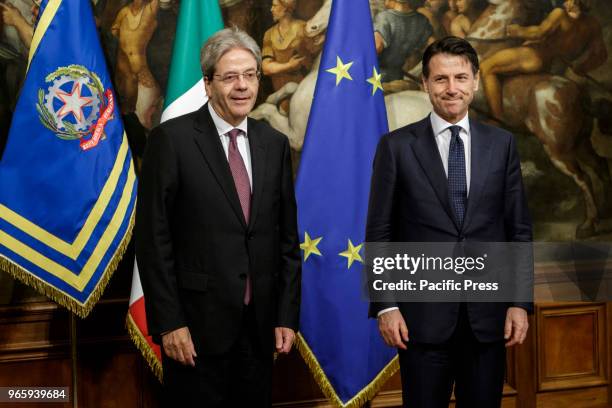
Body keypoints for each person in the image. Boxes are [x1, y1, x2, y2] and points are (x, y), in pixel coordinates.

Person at [135, 27, 301, 407]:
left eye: (250, 75)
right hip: (194, 330)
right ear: (208, 84)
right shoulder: (171, 140)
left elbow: (287, 239)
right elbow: (152, 240)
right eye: (229, 77)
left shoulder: (272, 144)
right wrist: (170, 323)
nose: (241, 86)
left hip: (259, 332)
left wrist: (286, 315)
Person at [366, 36, 532, 407]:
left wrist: (520, 301)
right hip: (420, 323)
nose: (451, 88)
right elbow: (379, 233)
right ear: (424, 84)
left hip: (487, 321)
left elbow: (518, 230)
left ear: (475, 81)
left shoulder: (501, 144)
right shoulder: (395, 147)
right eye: (441, 79)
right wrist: (386, 305)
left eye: (460, 77)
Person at [480, 0, 607, 120]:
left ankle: (497, 120)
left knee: (487, 67)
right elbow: (601, 55)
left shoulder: (560, 14)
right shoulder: (593, 25)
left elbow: (540, 32)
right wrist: (581, 67)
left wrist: (518, 31)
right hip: (554, 66)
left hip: (536, 55)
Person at [261, 0, 320, 115]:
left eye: (275, 6)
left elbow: (317, 55)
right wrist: (289, 65)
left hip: (304, 93)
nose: (271, 9)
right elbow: (266, 68)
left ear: (286, 8)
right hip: (281, 95)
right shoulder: (269, 34)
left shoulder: (303, 28)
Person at [111, 0, 161, 128]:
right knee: (125, 103)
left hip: (141, 65)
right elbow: (114, 29)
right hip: (123, 64)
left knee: (145, 113)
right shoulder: (124, 12)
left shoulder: (150, 8)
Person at [374, 0, 434, 83]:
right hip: (398, 76)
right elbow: (434, 49)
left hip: (377, 78)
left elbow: (376, 48)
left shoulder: (384, 17)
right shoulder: (422, 20)